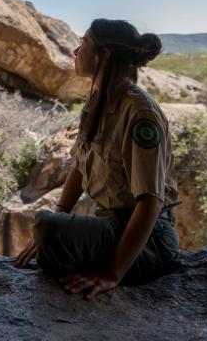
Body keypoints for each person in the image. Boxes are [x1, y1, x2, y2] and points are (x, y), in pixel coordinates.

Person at [13, 18, 181, 299]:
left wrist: (112, 273)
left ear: (104, 55)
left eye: (84, 44)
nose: (75, 51)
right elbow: (80, 166)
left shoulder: (140, 113)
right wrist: (62, 215)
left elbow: (151, 201)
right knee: (50, 228)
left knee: (49, 230)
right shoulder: (98, 103)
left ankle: (115, 264)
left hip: (150, 241)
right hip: (113, 226)